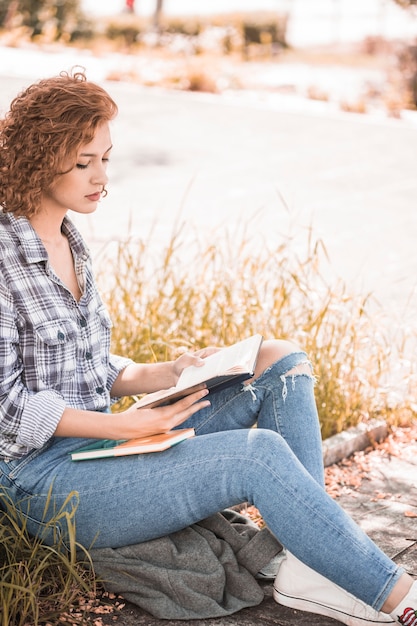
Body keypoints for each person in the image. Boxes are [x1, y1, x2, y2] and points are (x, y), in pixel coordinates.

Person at [0, 69, 415, 626]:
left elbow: (87, 368)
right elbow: (9, 409)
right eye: (83, 163)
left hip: (104, 449)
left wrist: (163, 373)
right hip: (47, 486)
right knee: (257, 453)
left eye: (106, 157)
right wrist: (126, 428)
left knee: (280, 360)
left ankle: (307, 563)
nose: (102, 176)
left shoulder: (70, 240)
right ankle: (397, 597)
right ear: (38, 157)